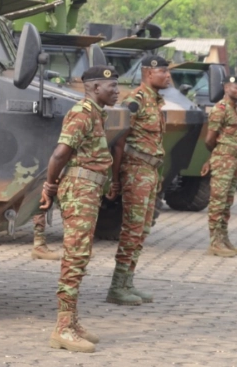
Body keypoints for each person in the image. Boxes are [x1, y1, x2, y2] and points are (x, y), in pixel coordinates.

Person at [40, 65, 120, 354]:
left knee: (81, 255)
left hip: (89, 190)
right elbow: (60, 154)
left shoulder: (97, 113)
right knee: (75, 257)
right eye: (112, 87)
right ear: (96, 88)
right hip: (79, 191)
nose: (117, 91)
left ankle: (71, 321)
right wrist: (49, 186)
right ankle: (62, 328)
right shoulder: (82, 113)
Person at [106, 55, 171, 306]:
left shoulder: (156, 101)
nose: (168, 76)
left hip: (150, 171)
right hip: (135, 170)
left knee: (142, 230)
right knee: (132, 229)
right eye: (163, 71)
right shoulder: (135, 101)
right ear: (149, 73)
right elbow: (118, 142)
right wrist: (115, 179)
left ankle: (127, 282)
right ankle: (116, 287)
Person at [202, 76, 237, 258]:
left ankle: (224, 239)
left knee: (227, 202)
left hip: (233, 160)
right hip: (223, 160)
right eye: (236, 88)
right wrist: (218, 154)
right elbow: (209, 139)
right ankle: (215, 243)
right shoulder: (220, 109)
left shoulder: (235, 109)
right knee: (218, 202)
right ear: (226, 88)